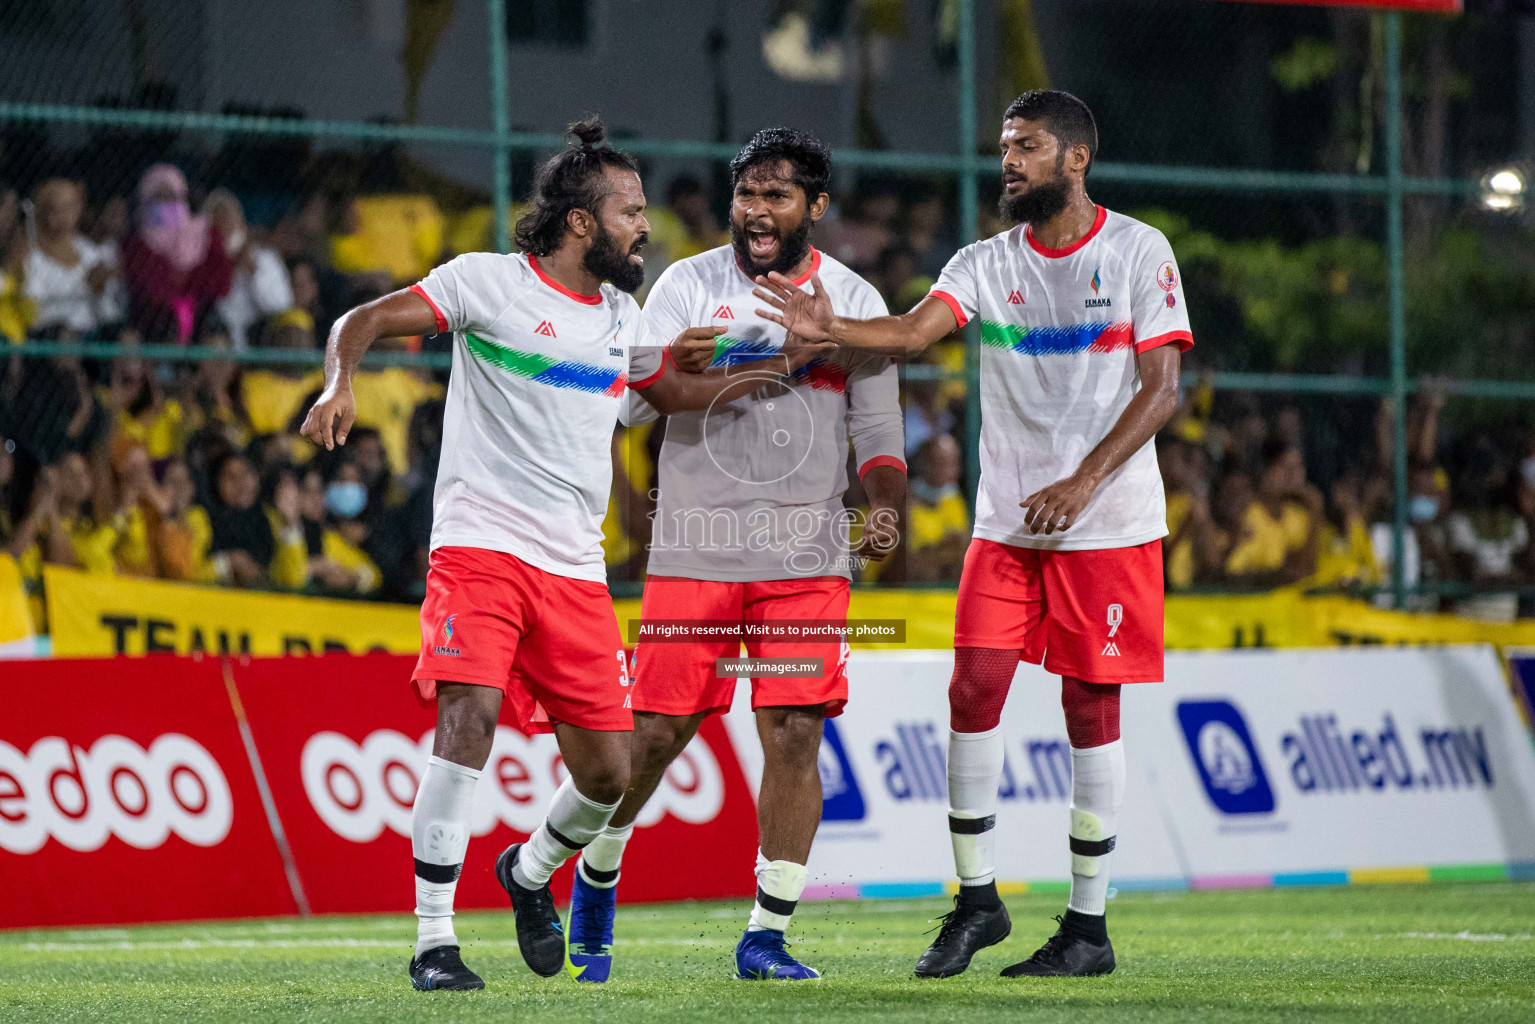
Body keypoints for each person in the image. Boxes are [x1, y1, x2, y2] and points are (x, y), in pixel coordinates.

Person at [298, 116, 828, 994]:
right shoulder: (484, 285)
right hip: (479, 548)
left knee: (608, 773)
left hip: (575, 570)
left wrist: (767, 372)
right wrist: (338, 379)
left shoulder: (623, 318)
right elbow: (362, 319)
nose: (643, 227)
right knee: (466, 720)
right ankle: (435, 941)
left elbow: (664, 392)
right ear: (581, 222)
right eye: (629, 211)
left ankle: (528, 872)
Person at [755, 90, 1193, 978]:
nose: (1008, 162)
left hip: (1105, 523)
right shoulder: (985, 261)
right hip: (1006, 525)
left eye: (1026, 147)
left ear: (1074, 158)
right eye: (1004, 147)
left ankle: (1086, 928)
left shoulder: (1137, 250)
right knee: (972, 690)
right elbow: (914, 332)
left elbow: (1161, 390)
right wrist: (828, 326)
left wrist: (1082, 479)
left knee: (1089, 710)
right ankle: (977, 900)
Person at [564, 128, 906, 985]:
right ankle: (600, 867)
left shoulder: (853, 301)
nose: (756, 211)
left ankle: (767, 933)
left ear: (814, 208)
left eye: (776, 195)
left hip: (806, 556)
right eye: (746, 193)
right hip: (694, 550)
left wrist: (888, 509)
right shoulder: (684, 285)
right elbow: (637, 406)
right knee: (655, 735)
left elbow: (878, 436)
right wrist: (755, 356)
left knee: (792, 733)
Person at [121, 164, 233, 344]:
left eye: (172, 196)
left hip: (202, 310)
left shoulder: (206, 232)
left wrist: (187, 300)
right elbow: (146, 285)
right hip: (154, 316)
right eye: (158, 197)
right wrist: (177, 303)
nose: (166, 204)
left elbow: (221, 280)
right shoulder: (135, 240)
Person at [22, 179, 122, 335]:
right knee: (64, 336)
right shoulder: (31, 254)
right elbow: (34, 305)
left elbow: (107, 313)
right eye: (58, 208)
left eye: (71, 206)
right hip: (49, 335)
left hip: (90, 334)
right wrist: (84, 287)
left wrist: (100, 289)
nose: (67, 214)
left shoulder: (90, 252)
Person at [203, 189, 294, 351]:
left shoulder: (264, 258)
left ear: (240, 222)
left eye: (228, 218)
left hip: (257, 345)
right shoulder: (200, 261)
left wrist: (252, 270)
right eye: (218, 219)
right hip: (216, 345)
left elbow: (281, 304)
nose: (224, 225)